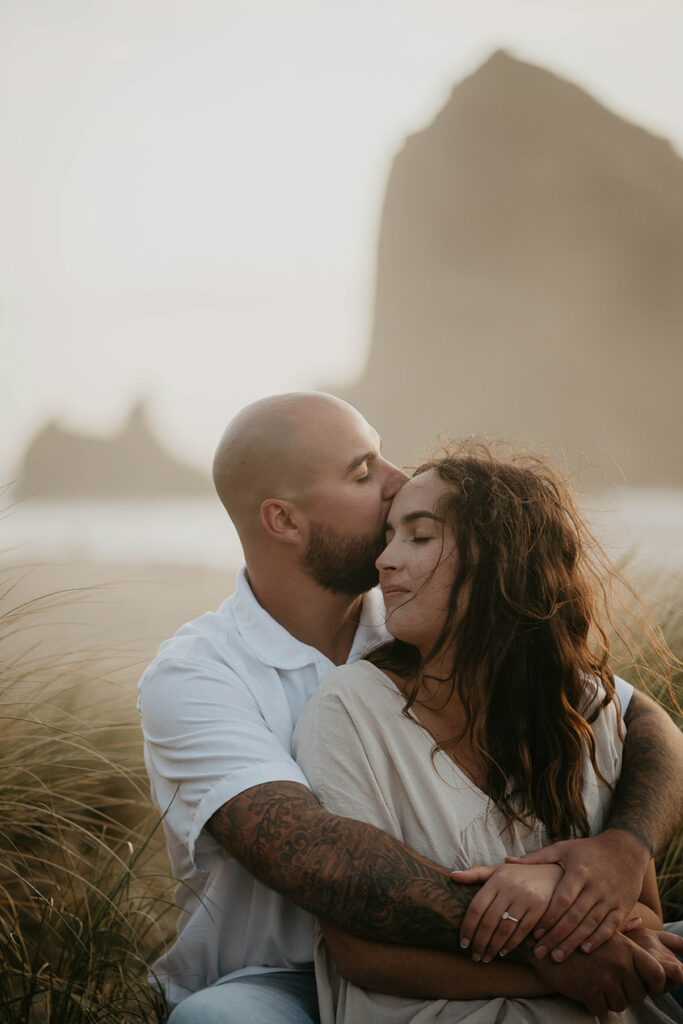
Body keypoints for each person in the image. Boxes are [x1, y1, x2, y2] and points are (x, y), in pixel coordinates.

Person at [138, 393, 683, 1024]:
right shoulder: (198, 675)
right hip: (286, 981)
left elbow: (642, 722)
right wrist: (554, 938)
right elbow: (323, 860)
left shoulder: (423, 615)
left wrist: (624, 847)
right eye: (363, 471)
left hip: (495, 949)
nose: (397, 480)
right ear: (283, 521)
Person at [292, 441, 683, 1022]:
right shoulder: (348, 709)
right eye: (389, 538)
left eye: (419, 537)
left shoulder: (584, 705)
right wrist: (552, 961)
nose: (385, 561)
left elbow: (645, 913)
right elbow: (357, 951)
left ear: (502, 559)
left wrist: (548, 886)